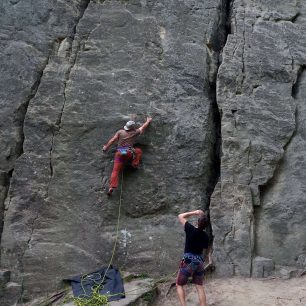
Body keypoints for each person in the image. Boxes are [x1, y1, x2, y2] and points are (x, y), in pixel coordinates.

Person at [102, 117, 152, 196]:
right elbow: (143, 127)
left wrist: (106, 147)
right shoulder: (135, 132)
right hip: (128, 153)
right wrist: (148, 121)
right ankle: (134, 164)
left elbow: (112, 140)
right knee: (138, 151)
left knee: (115, 171)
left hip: (120, 153)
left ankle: (111, 187)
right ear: (132, 128)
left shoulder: (120, 132)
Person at [176, 209, 210, 306]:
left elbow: (180, 216)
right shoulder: (206, 236)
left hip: (188, 260)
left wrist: (195, 212)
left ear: (198, 222)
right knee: (199, 286)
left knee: (179, 285)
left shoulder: (190, 229)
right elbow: (204, 250)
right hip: (199, 261)